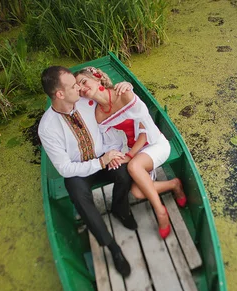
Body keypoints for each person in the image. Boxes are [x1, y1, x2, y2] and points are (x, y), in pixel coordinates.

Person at [38, 66, 135, 277]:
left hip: (103, 157)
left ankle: (119, 207)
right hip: (79, 170)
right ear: (59, 94)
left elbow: (112, 98)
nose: (79, 88)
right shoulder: (47, 128)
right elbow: (64, 168)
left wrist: (127, 87)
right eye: (74, 86)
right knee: (77, 194)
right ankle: (112, 247)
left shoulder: (86, 100)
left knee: (124, 171)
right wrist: (100, 163)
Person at [74, 67, 187, 239]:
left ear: (97, 78)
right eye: (78, 87)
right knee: (138, 192)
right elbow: (112, 143)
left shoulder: (124, 93)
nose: (82, 88)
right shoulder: (98, 115)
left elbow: (144, 128)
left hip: (153, 143)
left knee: (134, 166)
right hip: (133, 152)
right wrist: (113, 156)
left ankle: (161, 212)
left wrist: (130, 155)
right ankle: (174, 184)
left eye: (83, 82)